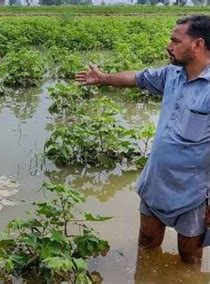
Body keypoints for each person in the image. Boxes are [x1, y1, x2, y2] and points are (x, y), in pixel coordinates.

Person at [75, 15, 210, 264]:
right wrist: (104, 78)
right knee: (146, 245)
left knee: (189, 258)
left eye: (175, 40)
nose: (168, 46)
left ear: (197, 45)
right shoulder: (171, 74)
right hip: (155, 183)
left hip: (193, 192)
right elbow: (137, 79)